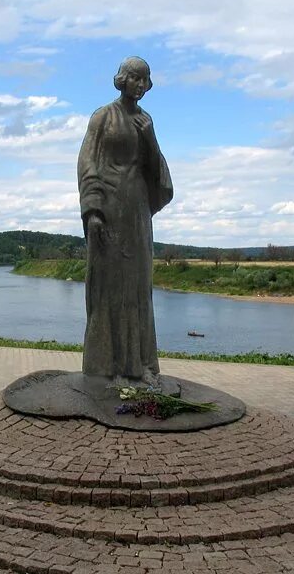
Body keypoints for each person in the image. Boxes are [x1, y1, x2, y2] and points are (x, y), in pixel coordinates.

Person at [77, 56, 173, 383]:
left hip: (137, 213)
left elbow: (157, 173)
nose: (141, 86)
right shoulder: (103, 117)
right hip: (109, 211)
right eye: (136, 79)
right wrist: (92, 211)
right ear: (122, 79)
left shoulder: (146, 122)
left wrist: (150, 139)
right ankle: (109, 367)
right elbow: (87, 162)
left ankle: (141, 366)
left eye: (145, 81)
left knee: (137, 288)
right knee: (110, 289)